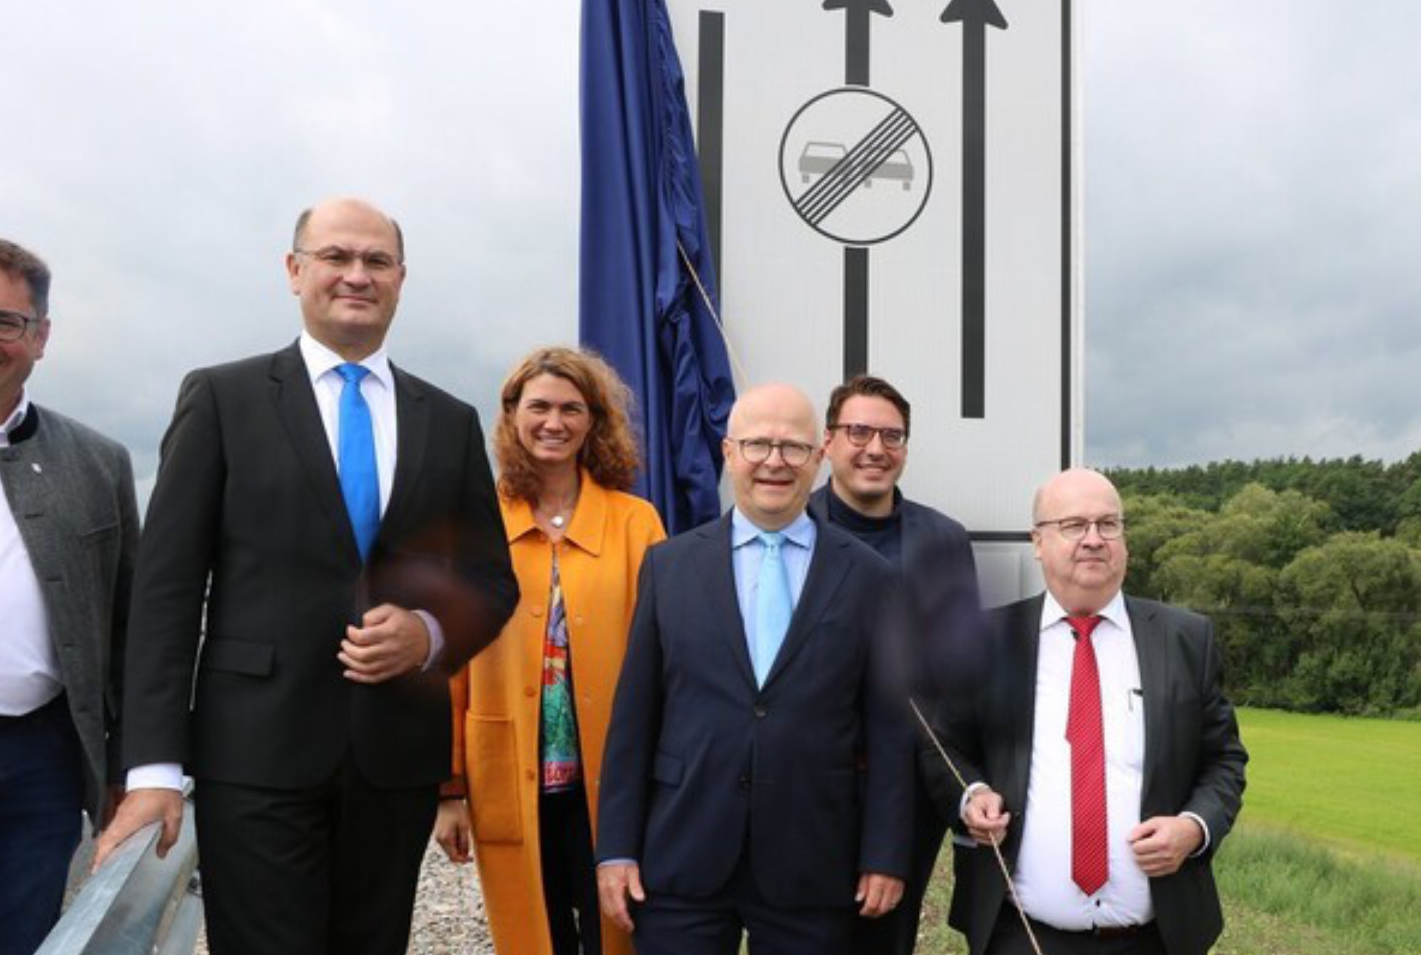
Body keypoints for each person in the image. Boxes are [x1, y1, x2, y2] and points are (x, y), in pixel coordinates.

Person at [97, 198, 519, 955]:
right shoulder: (223, 399)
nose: (357, 275)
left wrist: (427, 633)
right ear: (295, 271)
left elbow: (490, 582)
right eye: (336, 257)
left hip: (393, 759)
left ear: (400, 279)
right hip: (253, 753)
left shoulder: (448, 420)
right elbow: (166, 587)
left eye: (376, 261)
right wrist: (152, 767)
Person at [594, 382, 913, 955]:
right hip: (681, 856)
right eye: (758, 444)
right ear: (728, 453)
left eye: (792, 447)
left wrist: (885, 853)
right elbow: (634, 718)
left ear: (819, 458)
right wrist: (616, 847)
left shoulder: (869, 577)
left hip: (812, 861)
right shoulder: (668, 567)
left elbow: (890, 729)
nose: (774, 462)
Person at [924, 468, 1248, 955]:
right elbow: (941, 744)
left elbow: (1223, 759)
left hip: (1157, 938)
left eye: (1108, 524)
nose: (1094, 539)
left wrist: (1193, 828)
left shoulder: (1185, 639)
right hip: (1018, 934)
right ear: (1038, 541)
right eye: (1074, 525)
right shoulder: (988, 641)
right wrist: (971, 793)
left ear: (1124, 539)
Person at [432, 346, 666, 955]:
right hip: (509, 776)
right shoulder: (475, 523)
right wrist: (450, 790)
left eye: (571, 408)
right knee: (534, 937)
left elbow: (670, 661)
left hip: (613, 782)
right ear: (512, 415)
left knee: (619, 933)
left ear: (594, 420)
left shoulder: (636, 523)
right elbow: (447, 668)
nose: (554, 422)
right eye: (538, 407)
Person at [0, 236, 139, 955]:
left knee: (24, 937)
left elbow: (128, 626)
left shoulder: (98, 464)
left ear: (40, 336)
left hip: (37, 759)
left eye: (4, 321)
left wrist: (127, 769)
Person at [807, 374, 980, 955]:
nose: (875, 448)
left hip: (905, 788)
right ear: (827, 442)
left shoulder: (945, 540)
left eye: (892, 435)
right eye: (858, 431)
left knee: (886, 940)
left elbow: (959, 675)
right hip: (805, 786)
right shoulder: (791, 531)